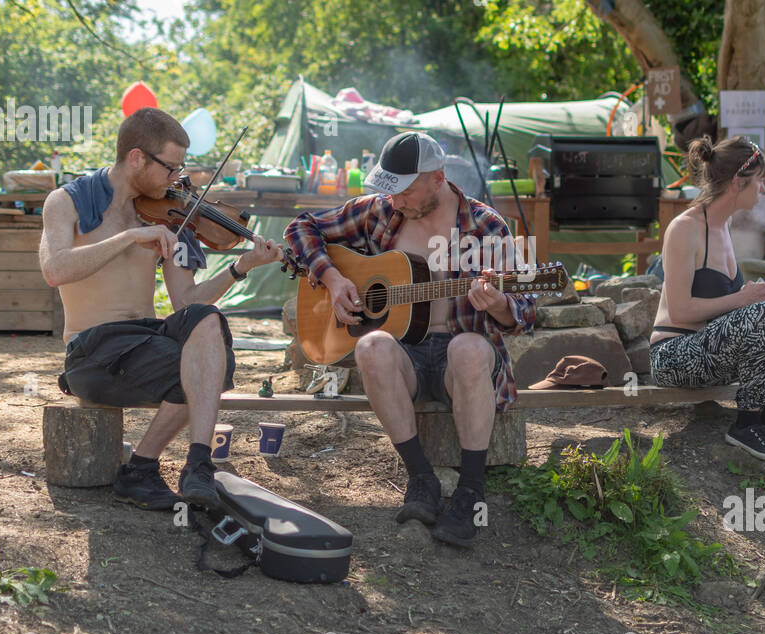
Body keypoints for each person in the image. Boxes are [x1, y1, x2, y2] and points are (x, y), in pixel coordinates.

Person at [283, 131, 536, 548]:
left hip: (462, 365)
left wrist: (496, 303)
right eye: (389, 190)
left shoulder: (486, 225)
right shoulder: (379, 213)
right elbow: (301, 228)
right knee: (371, 345)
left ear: (437, 179)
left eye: (403, 191)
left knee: (468, 347)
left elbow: (522, 312)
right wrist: (332, 277)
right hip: (408, 360)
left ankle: (472, 492)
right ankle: (421, 479)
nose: (394, 200)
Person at [40, 107, 282, 511]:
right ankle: (142, 471)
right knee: (204, 369)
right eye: (170, 168)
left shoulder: (170, 214)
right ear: (137, 157)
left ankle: (194, 465)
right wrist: (130, 237)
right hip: (91, 351)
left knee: (207, 328)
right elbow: (54, 270)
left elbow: (186, 302)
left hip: (147, 340)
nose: (177, 180)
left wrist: (240, 268)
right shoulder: (68, 201)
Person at [649, 135, 765, 461]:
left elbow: (738, 179)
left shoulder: (725, 225)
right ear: (737, 183)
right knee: (762, 312)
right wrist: (742, 299)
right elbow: (679, 310)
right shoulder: (684, 228)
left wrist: (762, 169)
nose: (762, 190)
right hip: (676, 357)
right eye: (758, 183)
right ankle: (746, 425)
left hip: (719, 354)